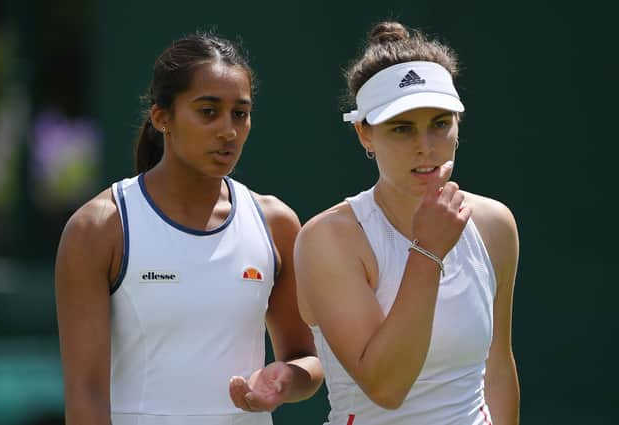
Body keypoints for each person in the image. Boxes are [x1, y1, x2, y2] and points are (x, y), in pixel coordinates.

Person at [54, 32, 323, 425]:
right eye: (208, 111)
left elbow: (305, 358)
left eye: (240, 113)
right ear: (162, 117)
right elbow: (85, 396)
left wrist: (286, 380)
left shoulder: (276, 223)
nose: (229, 131)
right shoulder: (97, 229)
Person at [294, 21, 520, 425]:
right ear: (365, 135)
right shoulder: (328, 239)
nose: (426, 146)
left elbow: (497, 368)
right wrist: (428, 251)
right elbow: (387, 387)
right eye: (402, 128)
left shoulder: (494, 224)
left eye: (439, 123)